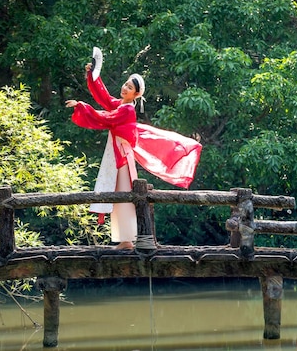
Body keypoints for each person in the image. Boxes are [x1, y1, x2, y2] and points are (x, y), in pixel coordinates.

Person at [66, 61, 201, 250]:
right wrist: (92, 75)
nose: (124, 88)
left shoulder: (126, 109)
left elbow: (104, 118)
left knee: (123, 195)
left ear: (136, 94)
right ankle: (125, 239)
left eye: (129, 87)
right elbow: (104, 97)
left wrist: (81, 106)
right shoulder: (121, 105)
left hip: (121, 156)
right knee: (119, 195)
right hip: (117, 154)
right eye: (125, 84)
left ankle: (127, 239)